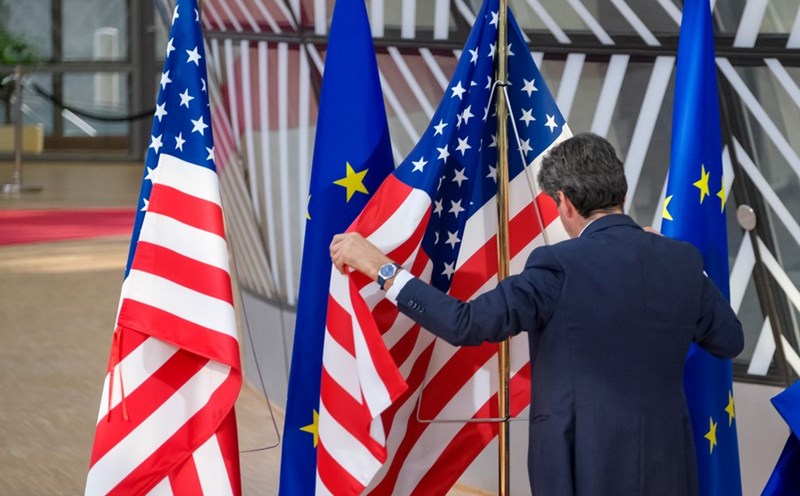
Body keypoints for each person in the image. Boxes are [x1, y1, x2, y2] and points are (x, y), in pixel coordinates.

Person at [329, 132, 744, 496]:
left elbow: (465, 324)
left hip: (579, 464)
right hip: (668, 465)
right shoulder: (683, 261)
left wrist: (383, 269)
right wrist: (684, 266)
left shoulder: (557, 265)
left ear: (563, 202)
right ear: (622, 192)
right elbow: (730, 339)